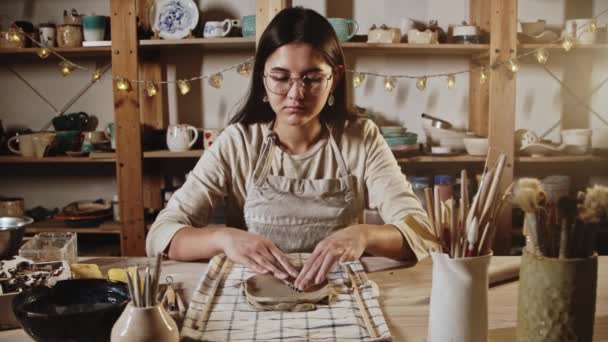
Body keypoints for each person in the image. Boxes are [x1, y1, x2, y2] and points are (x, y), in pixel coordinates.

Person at [147, 7, 437, 291]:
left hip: (338, 296)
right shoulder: (238, 142)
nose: (296, 94)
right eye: (281, 77)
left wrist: (364, 235)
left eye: (311, 78)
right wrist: (223, 239)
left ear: (334, 78)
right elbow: (161, 235)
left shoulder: (361, 138)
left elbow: (420, 232)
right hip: (256, 299)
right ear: (263, 78)